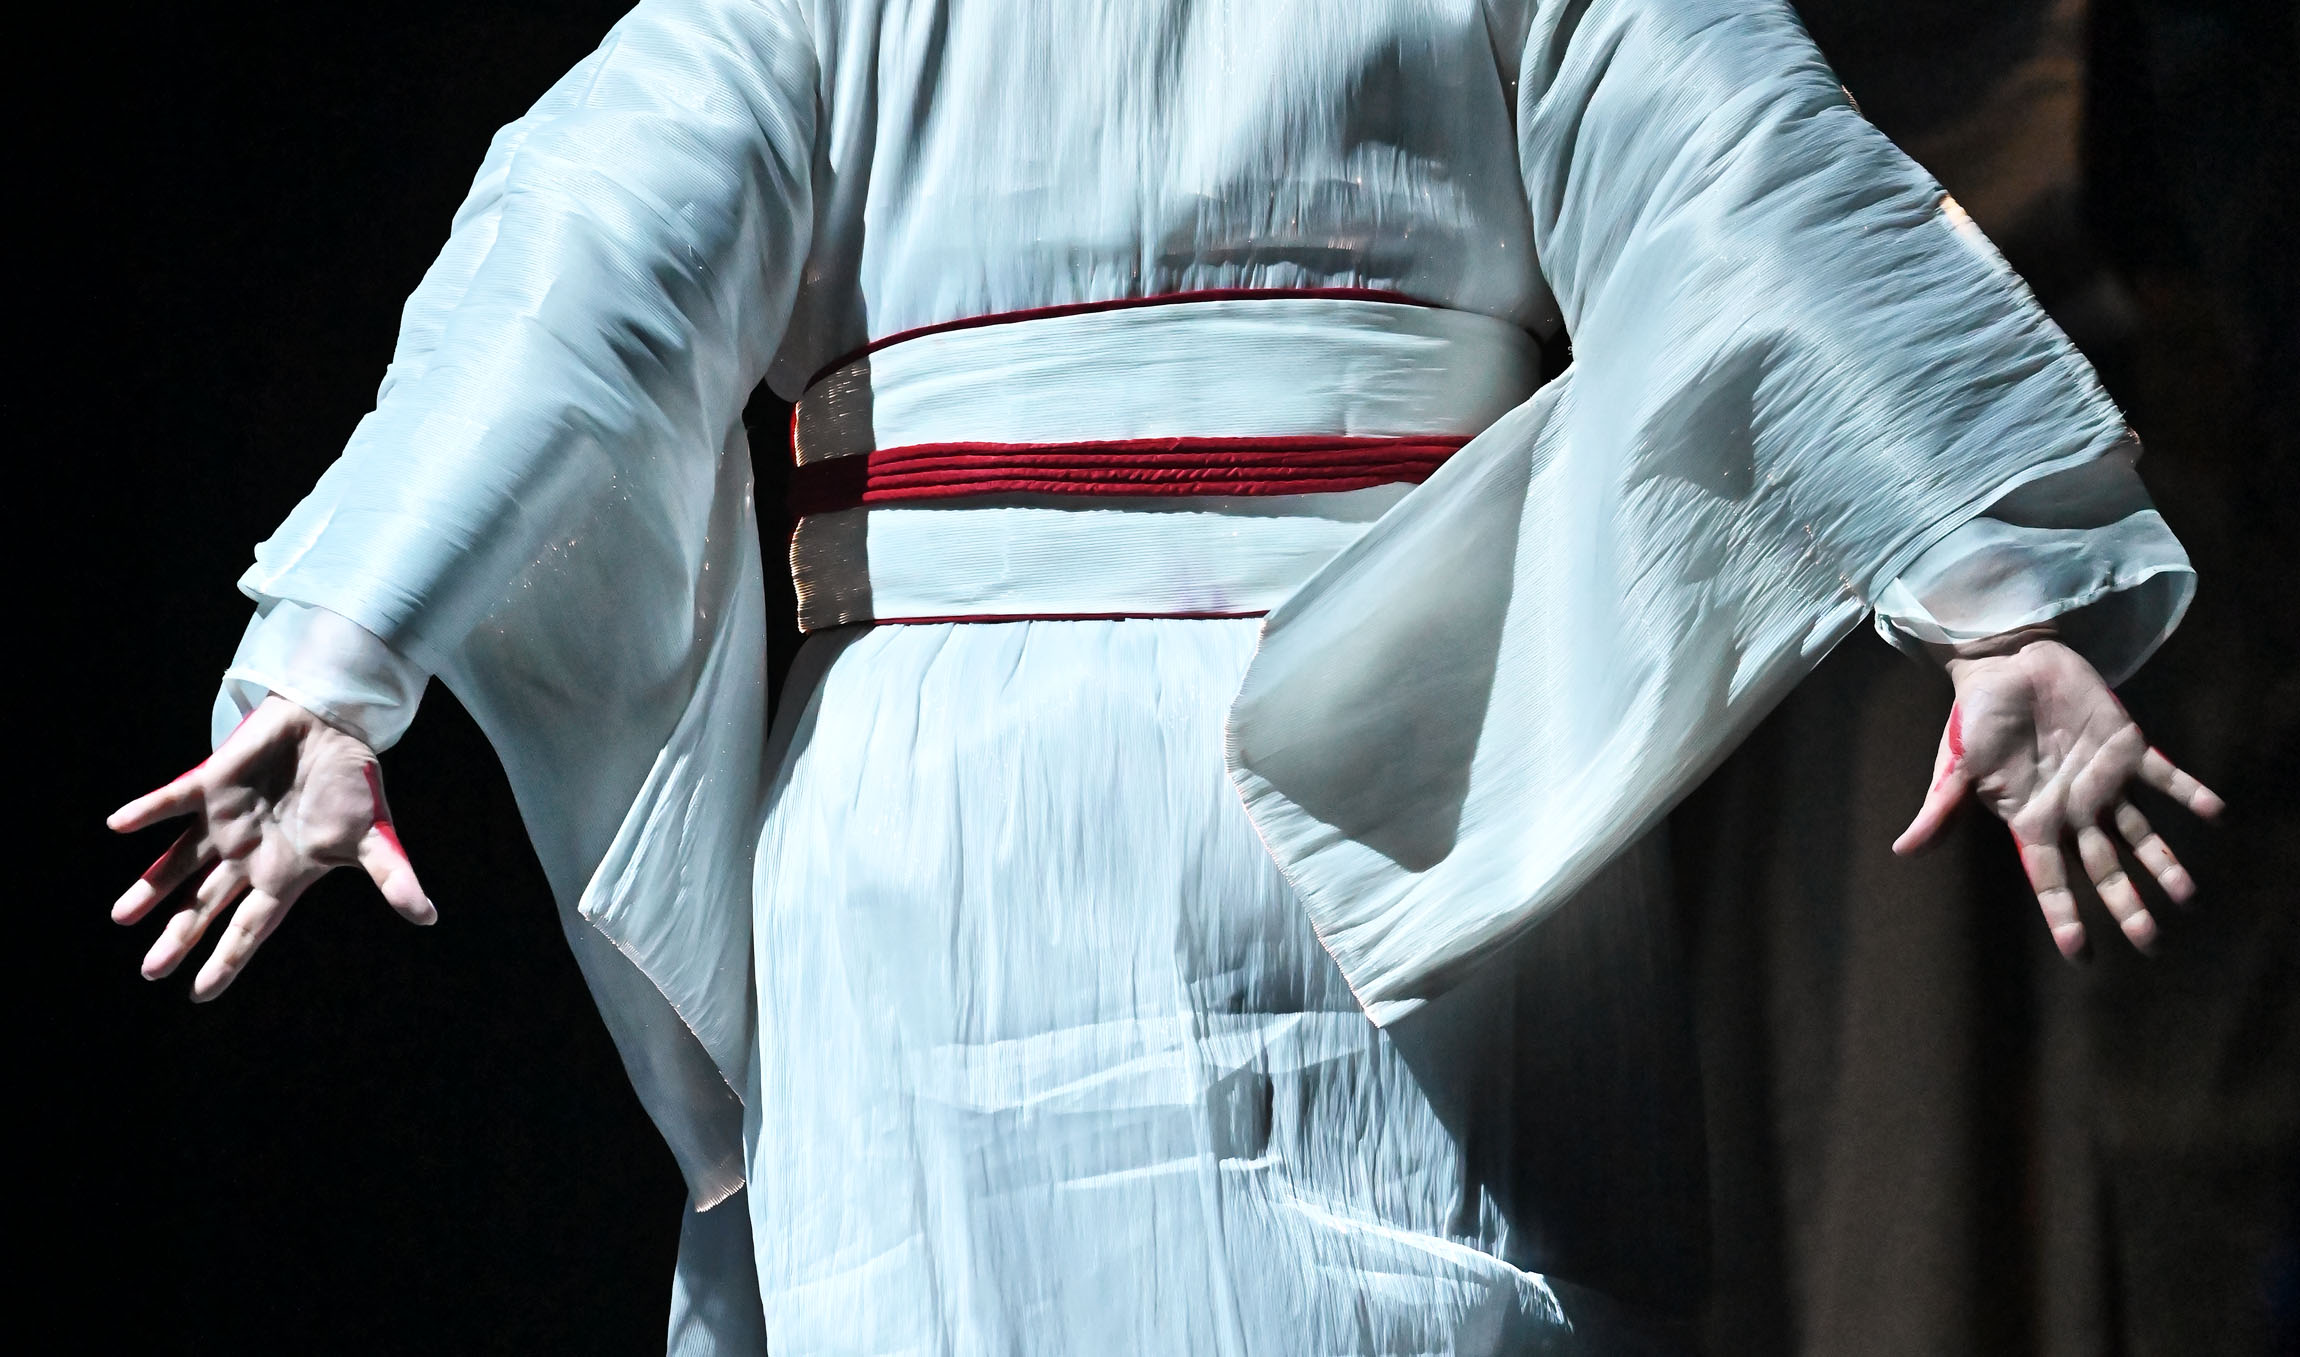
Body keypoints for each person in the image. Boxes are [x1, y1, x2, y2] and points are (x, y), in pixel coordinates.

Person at [106, 0, 2222, 1350]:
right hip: (1401, 778)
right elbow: (1755, 190)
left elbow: (575, 273)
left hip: (966, 793)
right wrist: (1992, 579)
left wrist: (344, 650)